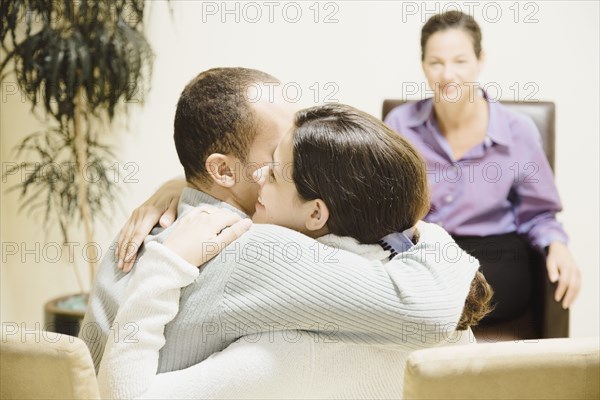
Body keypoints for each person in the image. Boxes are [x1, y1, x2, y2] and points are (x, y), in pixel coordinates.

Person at [81, 68, 480, 382]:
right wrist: (417, 222)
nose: (302, 151)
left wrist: (175, 185)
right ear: (221, 169)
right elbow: (422, 311)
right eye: (279, 154)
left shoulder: (149, 227)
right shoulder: (253, 248)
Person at [383, 11, 580, 330]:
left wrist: (558, 246)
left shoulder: (518, 131)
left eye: (460, 61)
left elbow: (539, 214)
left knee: (448, 297)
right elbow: (384, 206)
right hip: (423, 250)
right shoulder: (400, 126)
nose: (448, 74)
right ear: (423, 65)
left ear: (479, 60)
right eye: (436, 62)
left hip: (495, 255)